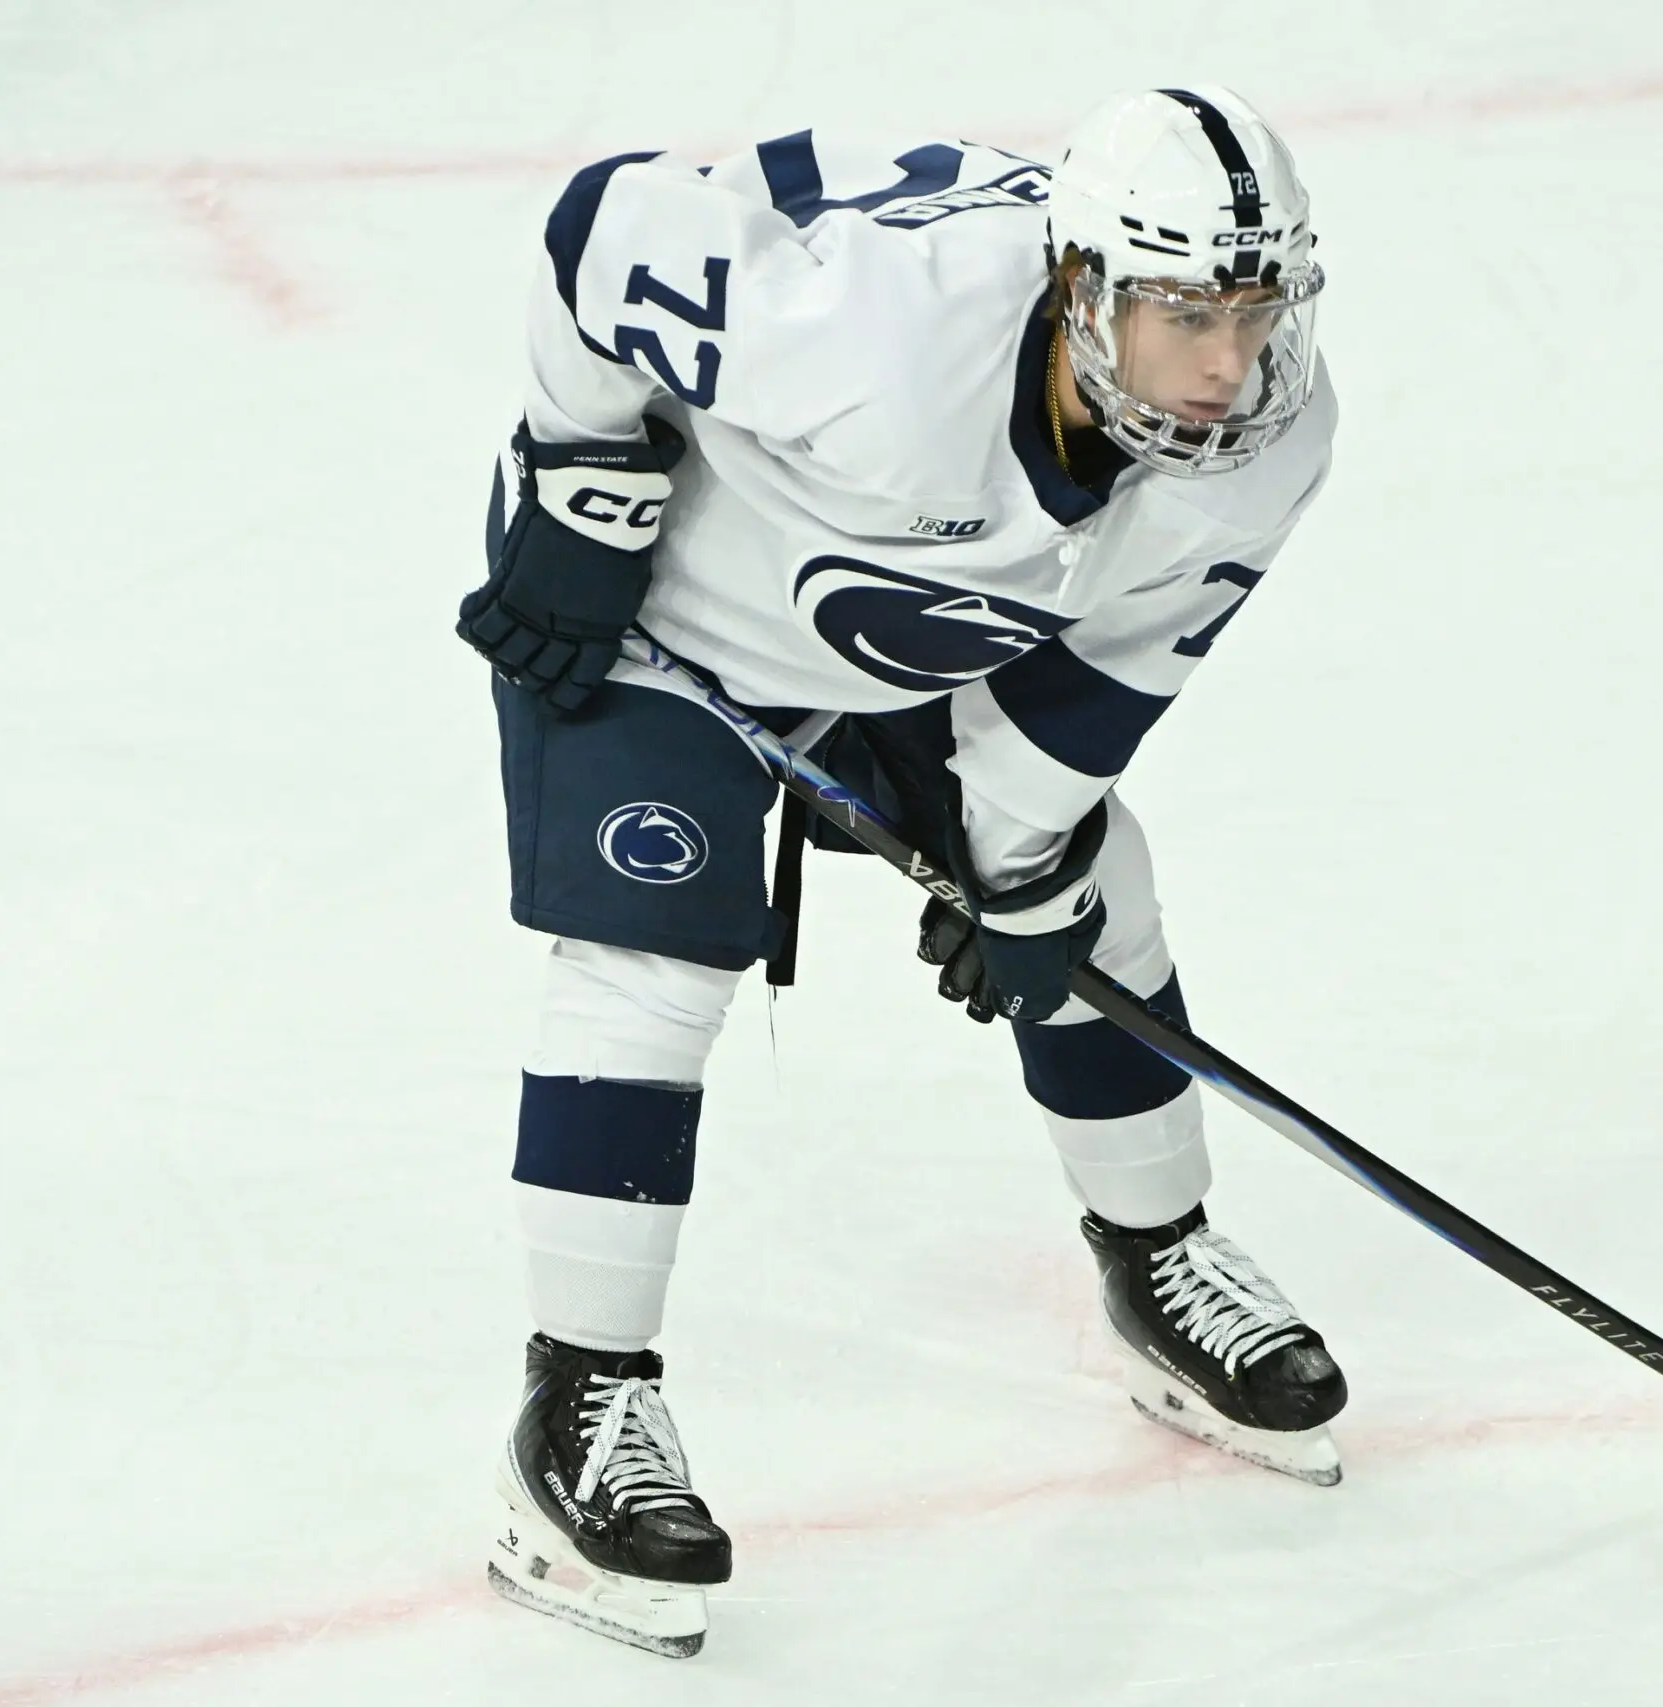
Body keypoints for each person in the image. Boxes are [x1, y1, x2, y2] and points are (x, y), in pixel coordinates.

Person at [456, 86, 1342, 1658]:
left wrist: (1014, 885)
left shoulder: (1262, 438)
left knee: (1090, 888)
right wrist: (588, 482)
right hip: (677, 619)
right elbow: (607, 230)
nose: (1227, 363)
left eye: (1257, 309)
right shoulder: (875, 333)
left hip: (918, 640)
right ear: (1081, 286)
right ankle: (579, 1405)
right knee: (653, 960)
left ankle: (1158, 1263)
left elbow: (1095, 687)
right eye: (1185, 313)